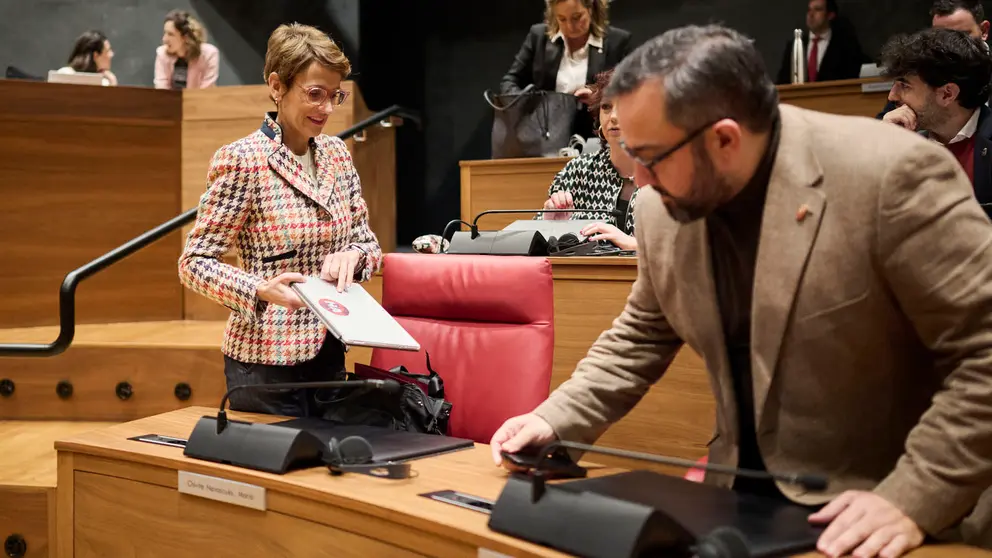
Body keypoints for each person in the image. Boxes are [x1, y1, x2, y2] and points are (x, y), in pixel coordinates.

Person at [490, 24, 992, 557]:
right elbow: (642, 332)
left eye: (653, 157)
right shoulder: (661, 202)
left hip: (886, 511)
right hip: (739, 505)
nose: (640, 180)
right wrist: (553, 418)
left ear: (725, 139)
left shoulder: (893, 174)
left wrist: (914, 495)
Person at [178, 23, 381, 418]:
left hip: (329, 348)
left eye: (334, 96)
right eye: (314, 94)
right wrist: (259, 289)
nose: (326, 108)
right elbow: (194, 263)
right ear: (277, 86)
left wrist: (355, 257)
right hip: (264, 363)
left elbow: (368, 244)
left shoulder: (338, 155)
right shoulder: (242, 160)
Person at [879, 27, 992, 219]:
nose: (892, 96)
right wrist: (884, 146)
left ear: (947, 94)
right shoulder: (907, 142)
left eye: (904, 85)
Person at [539, 69, 641, 250]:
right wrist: (549, 223)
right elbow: (537, 241)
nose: (614, 117)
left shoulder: (667, 173)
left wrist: (636, 245)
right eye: (606, 107)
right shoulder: (578, 170)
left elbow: (693, 247)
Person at [500, 0, 633, 137]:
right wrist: (529, 103)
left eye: (577, 17)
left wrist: (598, 98)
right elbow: (510, 81)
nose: (570, 26)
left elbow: (631, 91)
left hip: (596, 136)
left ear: (591, 8)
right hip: (544, 137)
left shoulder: (618, 42)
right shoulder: (539, 37)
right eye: (562, 19)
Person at [877, 0, 990, 118]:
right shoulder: (920, 69)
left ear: (984, 31)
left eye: (961, 36)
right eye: (939, 36)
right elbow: (889, 116)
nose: (948, 46)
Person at [775, 0, 865, 85]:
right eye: (809, 10)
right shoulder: (795, 45)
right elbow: (782, 82)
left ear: (830, 15)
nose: (811, 14)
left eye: (817, 10)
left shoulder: (845, 46)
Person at [154, 9, 219, 89]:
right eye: (165, 33)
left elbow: (206, 90)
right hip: (170, 101)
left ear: (185, 37)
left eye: (170, 34)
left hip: (198, 100)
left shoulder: (209, 54)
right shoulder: (162, 54)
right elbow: (161, 88)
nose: (164, 39)